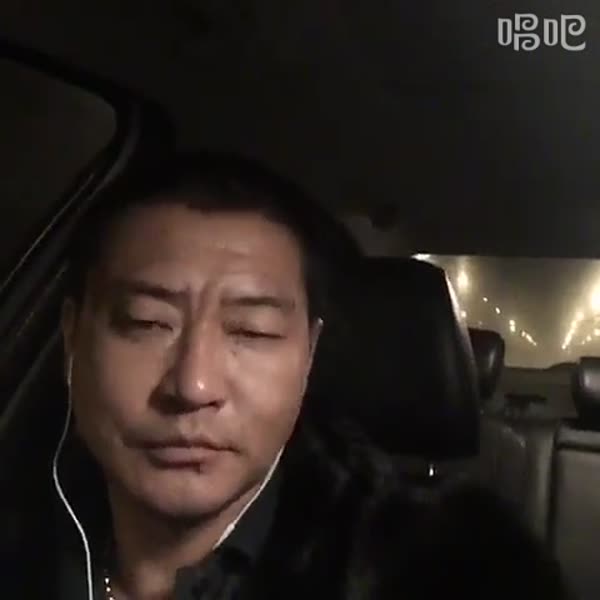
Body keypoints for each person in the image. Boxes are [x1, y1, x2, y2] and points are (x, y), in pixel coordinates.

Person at [7, 151, 569, 599]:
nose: (194, 386)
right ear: (73, 339)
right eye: (147, 323)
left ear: (308, 355)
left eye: (251, 332)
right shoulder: (19, 529)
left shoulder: (447, 572)